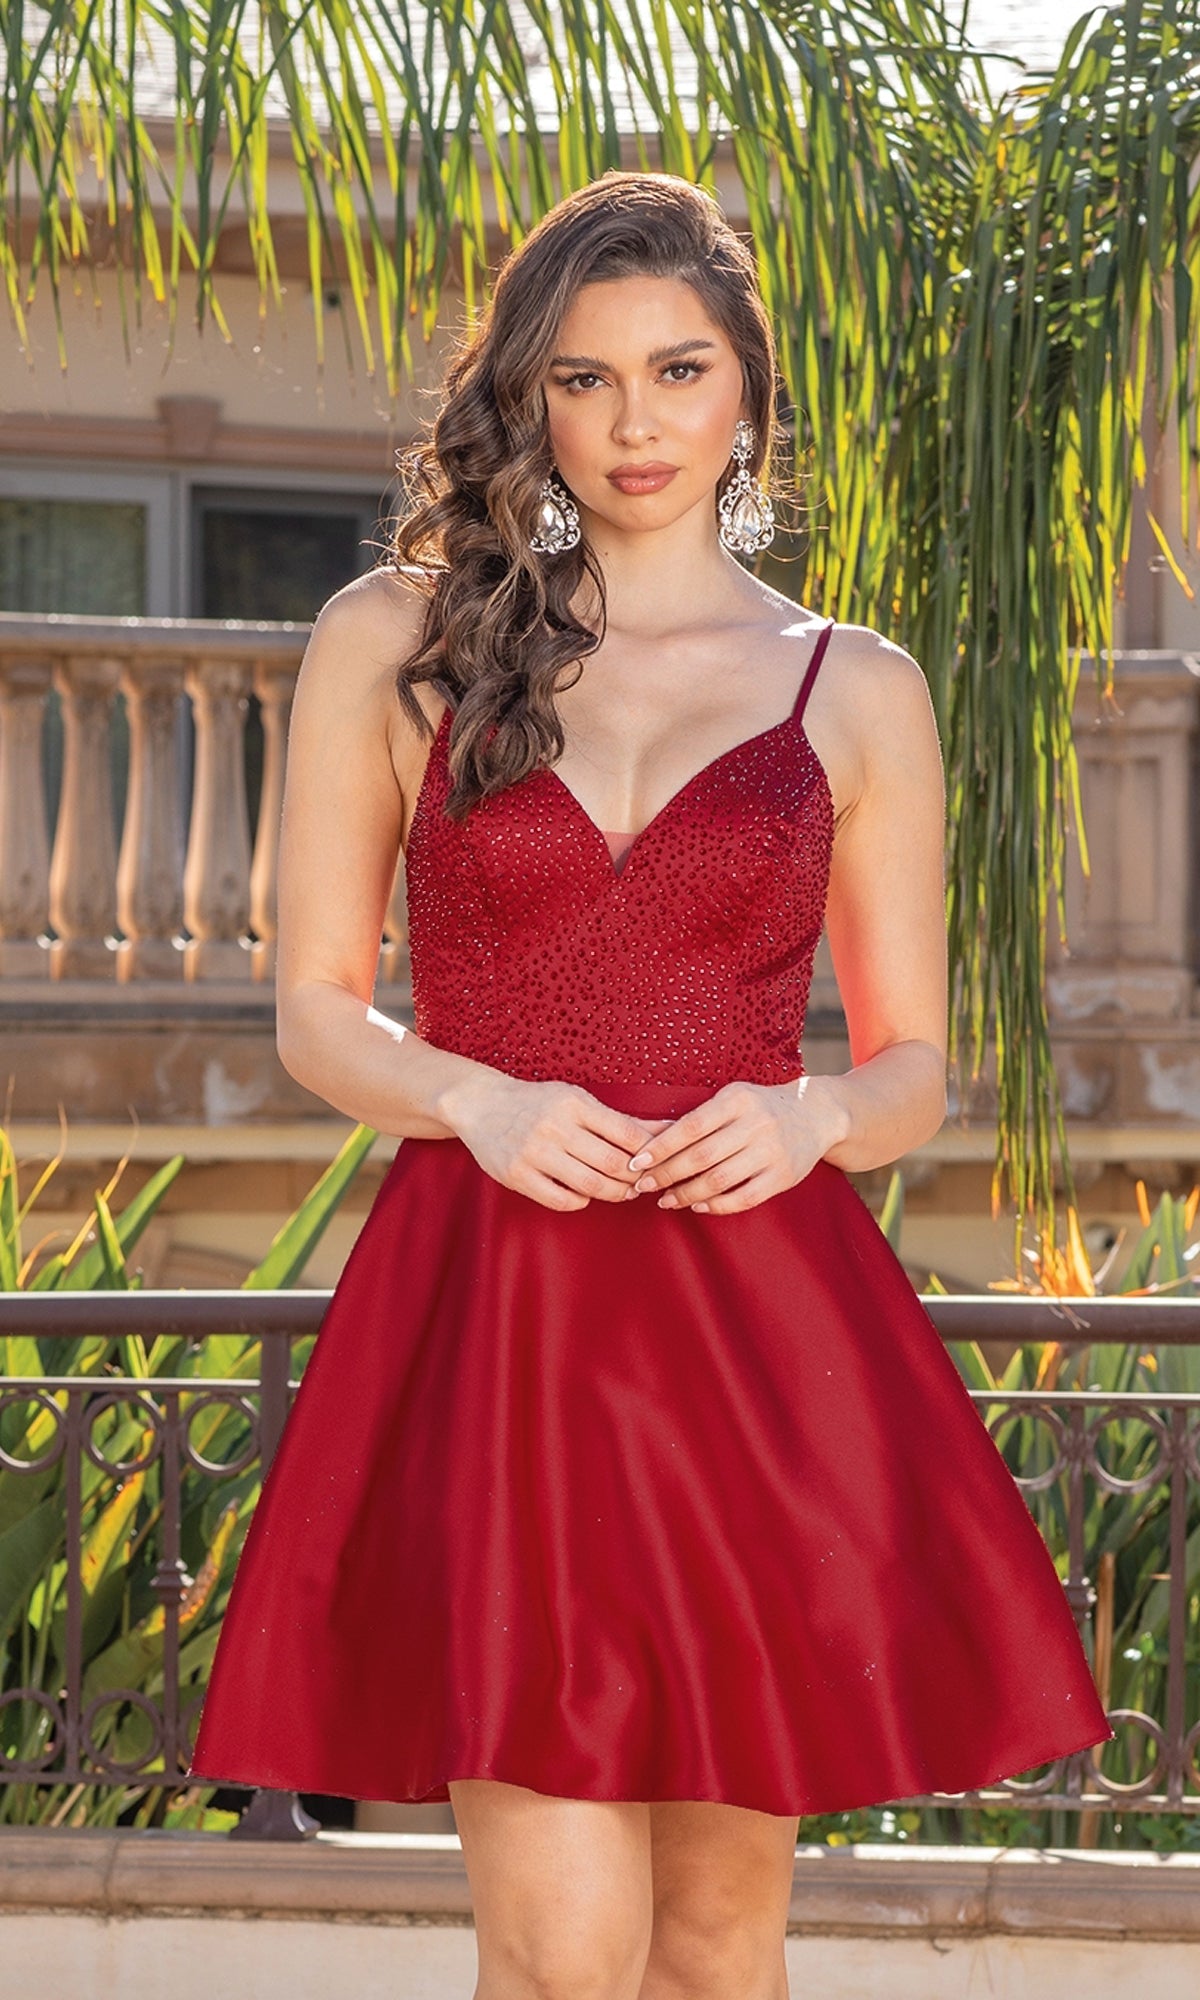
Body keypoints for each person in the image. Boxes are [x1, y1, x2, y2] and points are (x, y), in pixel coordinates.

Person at [191, 171, 1113, 2000]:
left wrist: (815, 1117)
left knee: (714, 1948)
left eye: (679, 372)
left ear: (749, 397)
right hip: (501, 1316)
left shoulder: (857, 688)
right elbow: (314, 1011)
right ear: (529, 398)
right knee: (562, 1955)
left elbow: (918, 1061)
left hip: (750, 1333)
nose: (637, 424)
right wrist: (480, 1102)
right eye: (588, 379)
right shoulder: (398, 637)